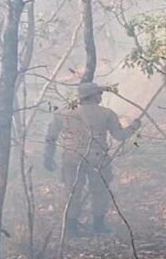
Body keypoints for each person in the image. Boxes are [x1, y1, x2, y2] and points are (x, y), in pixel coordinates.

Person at [44, 82, 140, 235]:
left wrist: (48, 156)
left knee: (72, 192)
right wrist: (134, 126)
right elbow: (119, 135)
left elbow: (51, 137)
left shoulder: (63, 113)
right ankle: (98, 225)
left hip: (71, 158)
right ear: (93, 95)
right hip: (98, 159)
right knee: (100, 191)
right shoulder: (106, 113)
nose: (100, 96)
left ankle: (71, 228)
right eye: (99, 93)